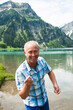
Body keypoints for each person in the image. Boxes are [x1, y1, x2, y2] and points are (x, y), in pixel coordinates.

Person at [15, 40, 60, 110]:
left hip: (44, 99)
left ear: (38, 51)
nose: (33, 55)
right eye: (30, 52)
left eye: (35, 51)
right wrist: (27, 85)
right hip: (32, 105)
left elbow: (50, 71)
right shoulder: (20, 71)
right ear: (25, 53)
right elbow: (22, 96)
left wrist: (55, 84)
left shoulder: (42, 61)